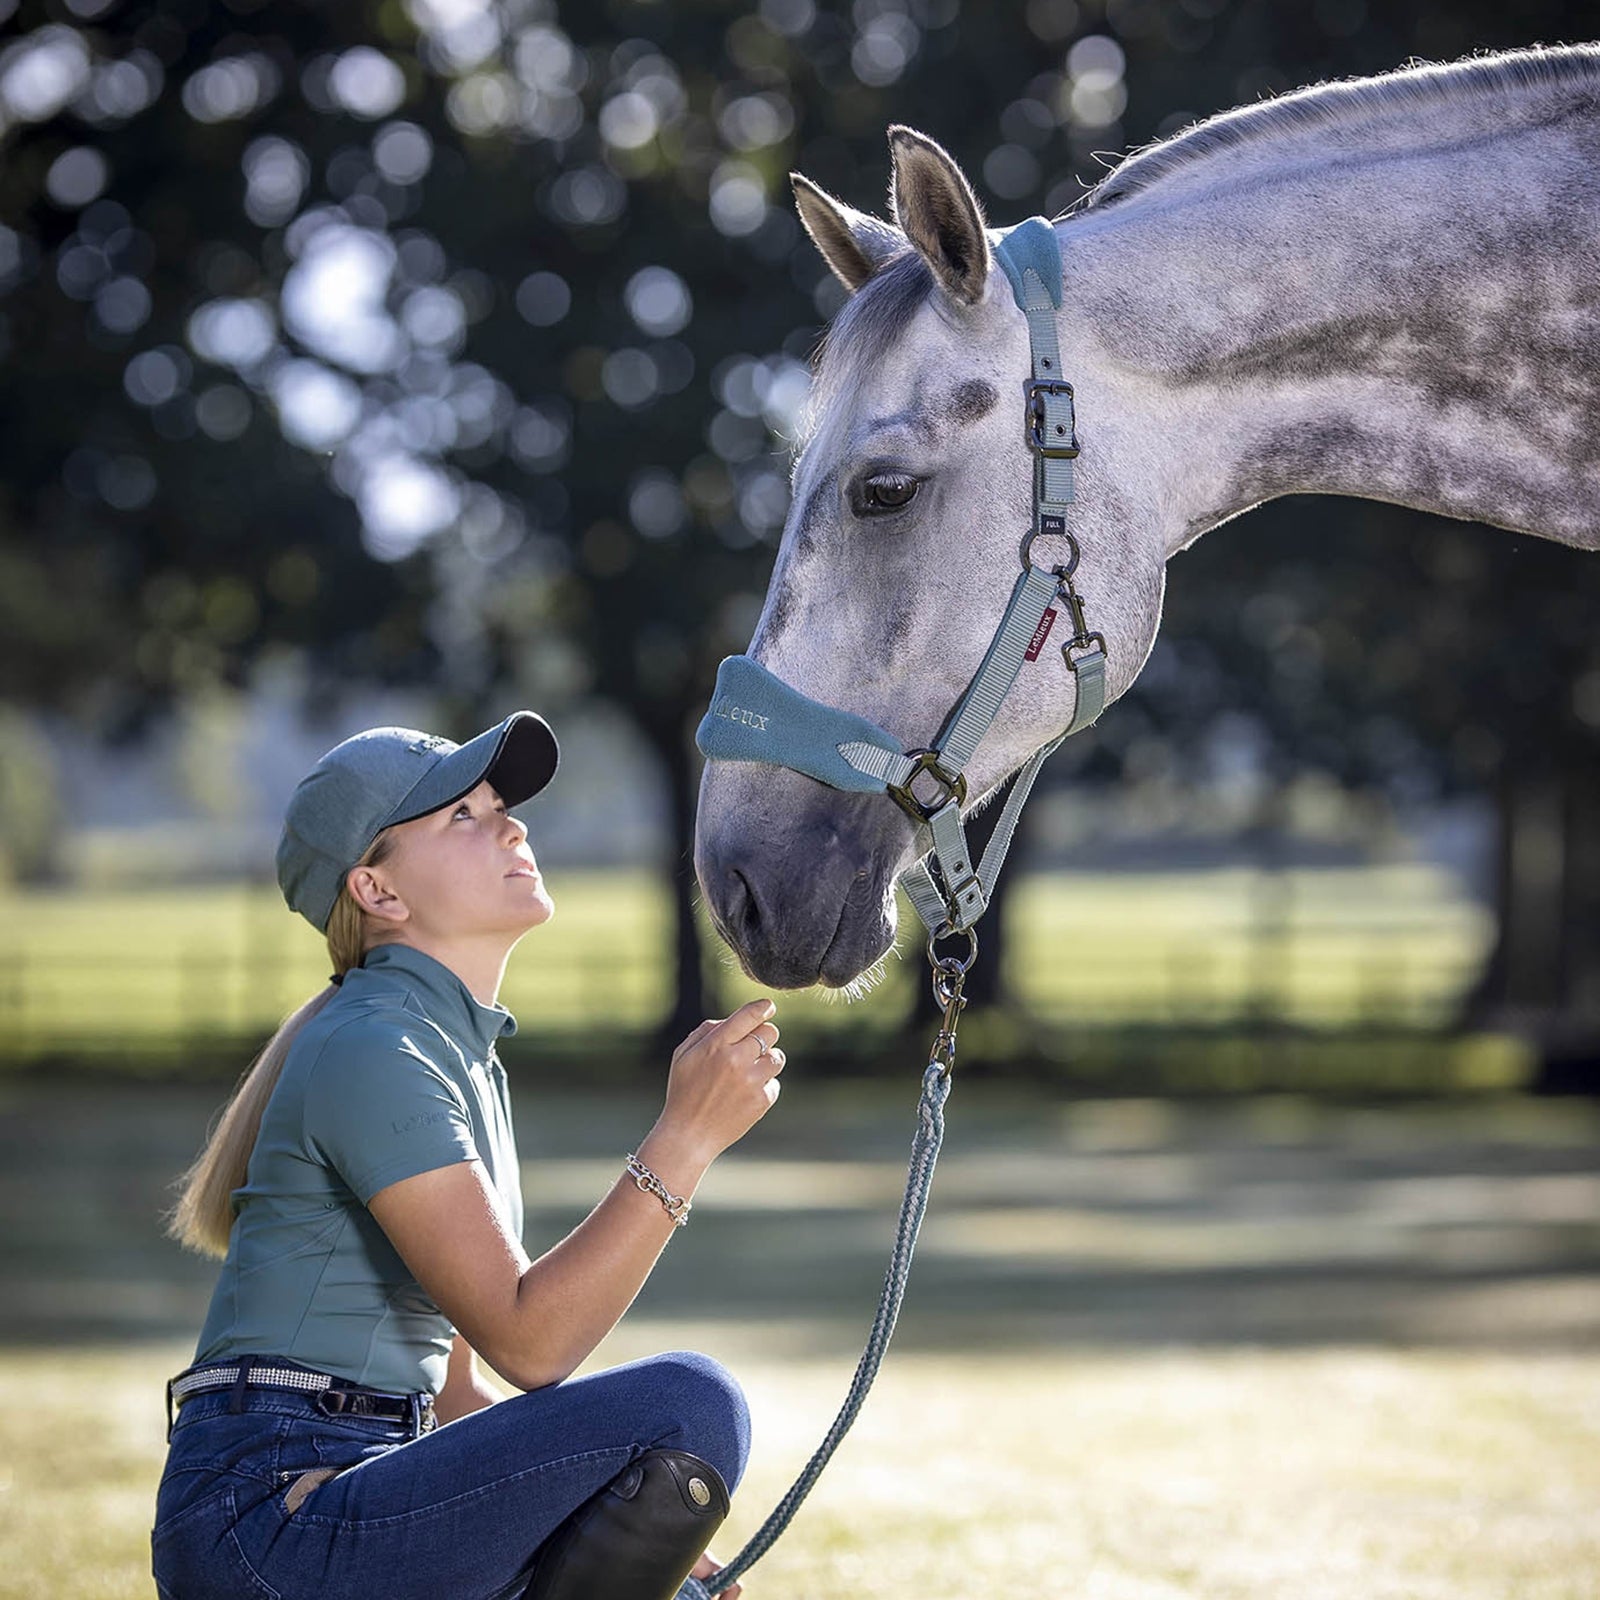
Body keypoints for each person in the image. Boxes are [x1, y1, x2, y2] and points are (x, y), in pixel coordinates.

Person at [153, 712, 785, 1600]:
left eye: (499, 805)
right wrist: (685, 1137)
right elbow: (531, 1343)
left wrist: (613, 1521)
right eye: (463, 816)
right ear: (379, 892)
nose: (512, 824)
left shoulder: (447, 1055)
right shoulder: (377, 1049)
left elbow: (454, 1395)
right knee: (691, 1404)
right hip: (270, 1519)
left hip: (347, 1483)